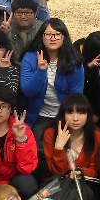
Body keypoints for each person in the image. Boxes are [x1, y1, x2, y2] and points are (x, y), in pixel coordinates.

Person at [19, 19, 85, 172]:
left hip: (64, 116)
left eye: (57, 34)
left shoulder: (74, 62)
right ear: (42, 37)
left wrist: (68, 120)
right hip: (39, 116)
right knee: (40, 154)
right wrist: (41, 71)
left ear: (64, 37)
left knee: (66, 152)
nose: (52, 38)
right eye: (48, 34)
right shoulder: (30, 57)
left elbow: (76, 97)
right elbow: (28, 90)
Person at [43, 93, 100, 180]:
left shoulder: (98, 136)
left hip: (86, 182)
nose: (75, 118)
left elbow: (97, 170)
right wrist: (59, 149)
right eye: (70, 112)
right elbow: (54, 171)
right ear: (63, 114)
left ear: (88, 115)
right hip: (58, 182)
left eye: (81, 113)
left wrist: (82, 172)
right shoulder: (51, 133)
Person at [76, 31, 100, 116]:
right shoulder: (77, 49)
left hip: (98, 99)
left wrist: (97, 113)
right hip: (80, 98)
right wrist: (87, 67)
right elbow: (73, 76)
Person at [2, 0, 44, 66]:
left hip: (38, 67)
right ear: (13, 14)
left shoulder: (42, 28)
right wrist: (4, 34)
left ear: (35, 14)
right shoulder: (7, 27)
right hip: (12, 67)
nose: (23, 17)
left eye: (27, 13)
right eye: (19, 13)